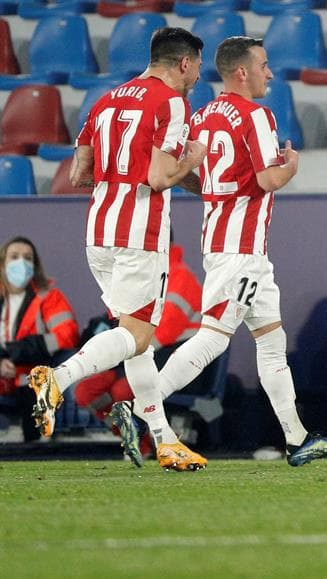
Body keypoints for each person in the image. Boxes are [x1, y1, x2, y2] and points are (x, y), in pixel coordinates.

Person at [145, 36, 327, 468]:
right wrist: (291, 167)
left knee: (272, 344)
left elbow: (185, 174)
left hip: (231, 245)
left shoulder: (203, 115)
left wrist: (217, 193)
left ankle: (297, 439)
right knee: (212, 339)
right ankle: (141, 408)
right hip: (240, 251)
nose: (269, 73)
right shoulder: (256, 115)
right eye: (264, 65)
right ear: (242, 72)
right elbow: (267, 179)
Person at [28, 27, 208, 471]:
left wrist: (128, 178)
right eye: (198, 68)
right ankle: (58, 378)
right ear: (184, 63)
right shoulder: (172, 102)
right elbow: (159, 177)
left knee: (137, 345)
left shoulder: (105, 100)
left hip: (99, 231)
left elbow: (79, 174)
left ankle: (164, 440)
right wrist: (194, 158)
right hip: (139, 234)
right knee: (139, 336)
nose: (197, 77)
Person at [73, 241, 202, 458]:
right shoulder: (136, 275)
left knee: (122, 391)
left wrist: (123, 353)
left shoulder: (180, 277)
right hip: (133, 355)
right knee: (86, 392)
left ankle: (149, 441)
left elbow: (163, 332)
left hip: (171, 360)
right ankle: (137, 440)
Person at [0, 237, 80, 443]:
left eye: (27, 258)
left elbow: (67, 334)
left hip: (33, 377)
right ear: (2, 263)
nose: (21, 262)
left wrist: (18, 353)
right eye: (14, 257)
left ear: (35, 265)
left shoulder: (50, 297)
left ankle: (39, 443)